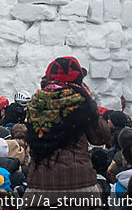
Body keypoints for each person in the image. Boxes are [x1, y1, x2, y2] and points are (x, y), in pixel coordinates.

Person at [24, 57, 109, 203]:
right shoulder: (82, 104)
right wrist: (90, 102)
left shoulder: (36, 103)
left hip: (41, 184)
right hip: (80, 184)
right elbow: (101, 138)